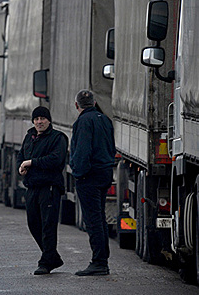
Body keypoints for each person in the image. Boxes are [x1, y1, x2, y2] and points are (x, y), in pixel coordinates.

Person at [16, 106, 68, 275]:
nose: (39, 122)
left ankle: (46, 262)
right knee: (33, 224)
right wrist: (20, 167)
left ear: (49, 120)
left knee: (48, 225)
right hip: (32, 187)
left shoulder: (58, 138)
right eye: (36, 119)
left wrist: (31, 163)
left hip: (49, 187)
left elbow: (56, 159)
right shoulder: (29, 137)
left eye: (43, 119)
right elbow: (21, 156)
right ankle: (52, 257)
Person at [70, 89, 116, 276]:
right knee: (100, 218)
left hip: (89, 176)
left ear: (77, 105)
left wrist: (78, 174)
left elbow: (82, 151)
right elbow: (111, 146)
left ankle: (99, 262)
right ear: (95, 103)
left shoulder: (82, 122)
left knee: (93, 220)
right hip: (104, 173)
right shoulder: (105, 120)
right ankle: (102, 259)